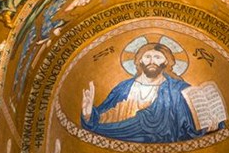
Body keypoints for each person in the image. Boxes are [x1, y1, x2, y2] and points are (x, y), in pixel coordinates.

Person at [81, 43, 209, 143]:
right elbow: (104, 116)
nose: (152, 61)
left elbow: (190, 124)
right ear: (140, 61)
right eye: (147, 57)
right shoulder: (124, 87)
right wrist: (88, 114)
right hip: (122, 137)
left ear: (165, 62)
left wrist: (208, 125)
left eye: (157, 57)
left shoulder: (177, 90)